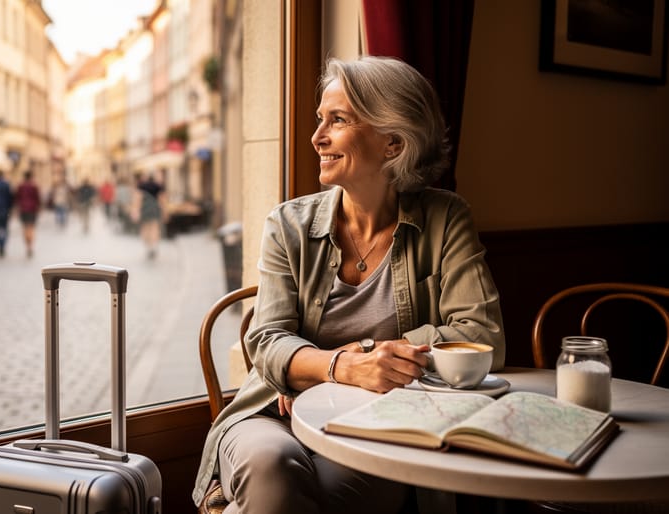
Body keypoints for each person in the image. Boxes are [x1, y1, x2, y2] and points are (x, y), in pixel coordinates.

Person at [192, 56, 506, 513]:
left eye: (337, 120)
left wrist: (317, 365)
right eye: (321, 119)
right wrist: (349, 365)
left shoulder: (446, 218)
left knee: (332, 498)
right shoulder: (288, 223)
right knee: (271, 470)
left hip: (381, 422)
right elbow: (266, 340)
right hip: (273, 414)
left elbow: (483, 337)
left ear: (393, 144)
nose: (317, 137)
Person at [134, 172, 165, 259]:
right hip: (155, 210)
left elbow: (138, 200)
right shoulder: (158, 186)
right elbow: (162, 200)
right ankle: (153, 246)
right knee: (154, 228)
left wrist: (136, 211)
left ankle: (148, 246)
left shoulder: (141, 186)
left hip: (145, 210)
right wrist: (164, 212)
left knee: (145, 228)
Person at [14, 170, 41, 258]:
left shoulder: (20, 186)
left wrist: (17, 209)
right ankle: (30, 246)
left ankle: (27, 245)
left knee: (25, 228)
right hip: (32, 209)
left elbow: (17, 198)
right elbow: (38, 199)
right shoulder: (34, 186)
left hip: (23, 209)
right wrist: (39, 209)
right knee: (31, 228)